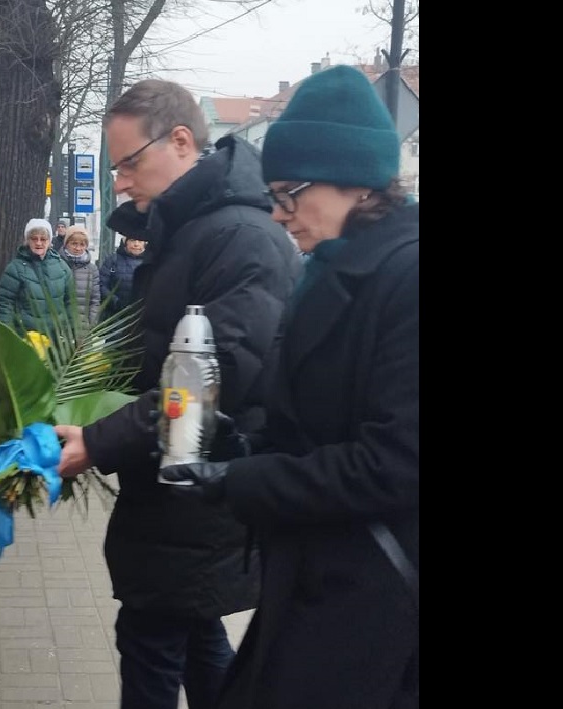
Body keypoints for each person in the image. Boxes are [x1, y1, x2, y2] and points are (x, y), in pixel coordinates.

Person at [159, 65, 420, 709]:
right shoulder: (326, 271)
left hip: (374, 597)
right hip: (314, 577)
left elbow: (394, 464)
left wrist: (241, 481)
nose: (279, 214)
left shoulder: (407, 279)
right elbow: (313, 423)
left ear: (354, 180)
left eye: (289, 193)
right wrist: (239, 446)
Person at [52, 79, 302, 709]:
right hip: (175, 489)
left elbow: (205, 379)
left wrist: (97, 441)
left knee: (152, 645)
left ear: (182, 141)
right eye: (115, 169)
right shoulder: (191, 230)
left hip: (200, 488)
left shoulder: (239, 238)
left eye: (130, 163)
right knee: (193, 639)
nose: (122, 184)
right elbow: (161, 351)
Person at [0, 218, 74, 339]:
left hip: (57, 340)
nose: (38, 243)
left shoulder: (62, 267)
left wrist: (73, 333)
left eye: (43, 239)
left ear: (49, 241)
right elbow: (4, 303)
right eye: (34, 239)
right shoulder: (15, 268)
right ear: (28, 240)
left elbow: (70, 303)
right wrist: (8, 334)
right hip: (26, 337)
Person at [58, 224, 100, 334]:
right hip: (59, 327)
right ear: (66, 244)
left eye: (82, 244)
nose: (78, 248)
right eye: (74, 243)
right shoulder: (56, 265)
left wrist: (92, 323)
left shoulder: (92, 269)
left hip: (83, 327)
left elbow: (95, 299)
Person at [98, 235, 147, 323]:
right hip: (114, 316)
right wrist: (116, 302)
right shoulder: (112, 260)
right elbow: (101, 285)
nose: (136, 244)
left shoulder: (150, 263)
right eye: (132, 240)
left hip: (141, 317)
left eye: (140, 241)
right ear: (125, 242)